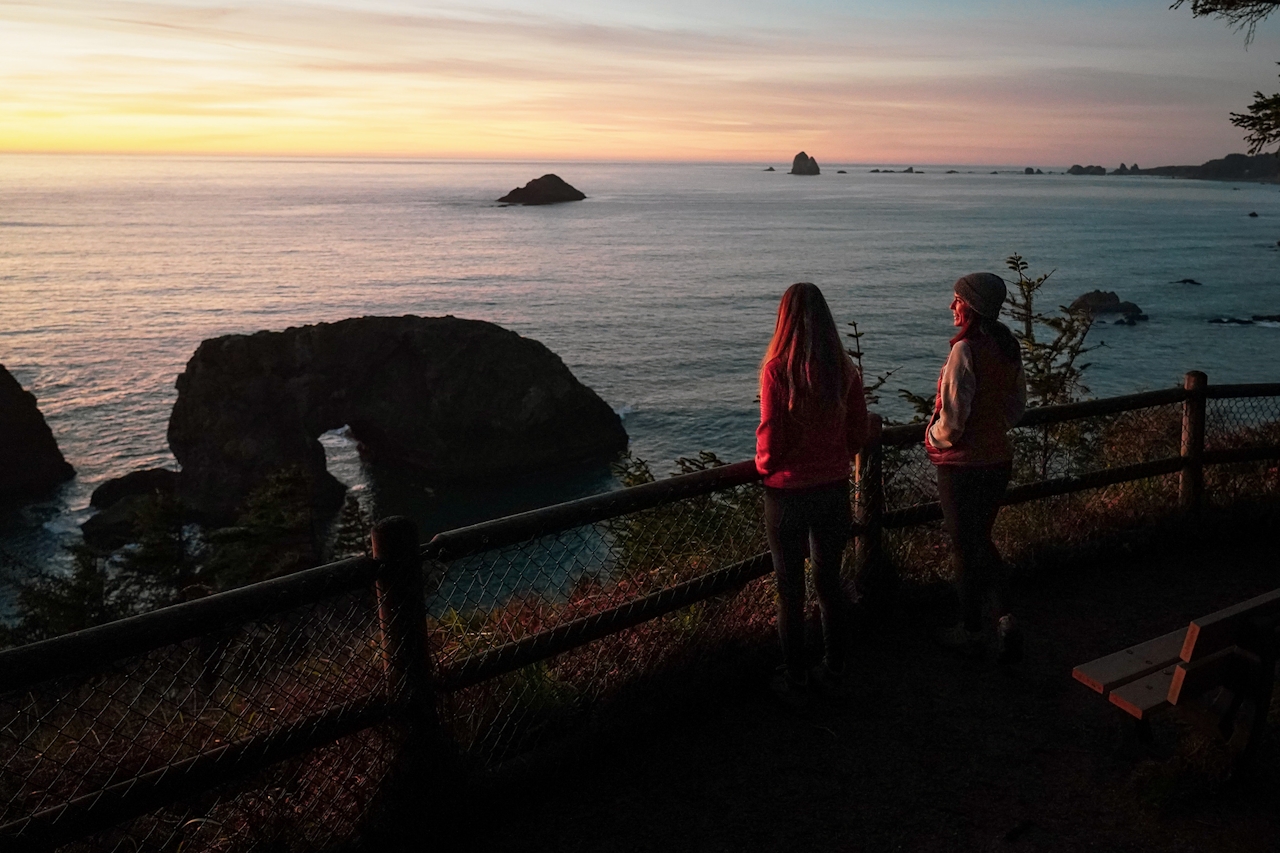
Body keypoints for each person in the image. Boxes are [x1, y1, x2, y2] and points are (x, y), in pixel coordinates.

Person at [756, 282, 880, 704]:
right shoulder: (844, 371)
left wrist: (764, 466)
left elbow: (772, 437)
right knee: (828, 583)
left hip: (787, 493)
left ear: (784, 318)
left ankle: (795, 676)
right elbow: (859, 431)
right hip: (832, 491)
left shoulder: (777, 371)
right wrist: (836, 457)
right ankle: (837, 664)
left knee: (790, 591)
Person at [924, 272, 1027, 663]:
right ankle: (1006, 617)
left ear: (972, 306)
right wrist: (992, 427)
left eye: (957, 300)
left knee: (965, 548)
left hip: (963, 467)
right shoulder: (1007, 346)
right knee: (981, 541)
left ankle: (970, 629)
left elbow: (951, 420)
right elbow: (1016, 406)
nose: (952, 306)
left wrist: (932, 438)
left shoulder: (964, 350)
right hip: (998, 459)